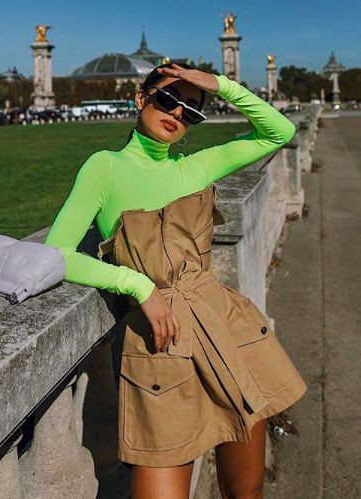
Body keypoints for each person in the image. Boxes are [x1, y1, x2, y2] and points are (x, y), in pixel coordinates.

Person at [45, 62, 307, 499]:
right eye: (168, 99)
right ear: (140, 98)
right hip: (161, 347)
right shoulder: (105, 167)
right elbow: (57, 254)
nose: (178, 113)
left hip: (227, 330)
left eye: (192, 110)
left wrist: (219, 85)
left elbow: (278, 131)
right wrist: (140, 286)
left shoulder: (195, 167)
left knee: (246, 493)